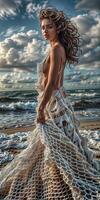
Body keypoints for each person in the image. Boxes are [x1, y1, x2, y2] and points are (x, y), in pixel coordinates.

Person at [0, 7, 100, 200]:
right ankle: (56, 178)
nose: (45, 31)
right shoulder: (55, 47)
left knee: (54, 144)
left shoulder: (56, 49)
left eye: (49, 27)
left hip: (54, 103)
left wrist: (40, 107)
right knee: (55, 144)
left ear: (58, 28)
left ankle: (60, 181)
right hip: (57, 101)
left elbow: (53, 83)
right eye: (42, 28)